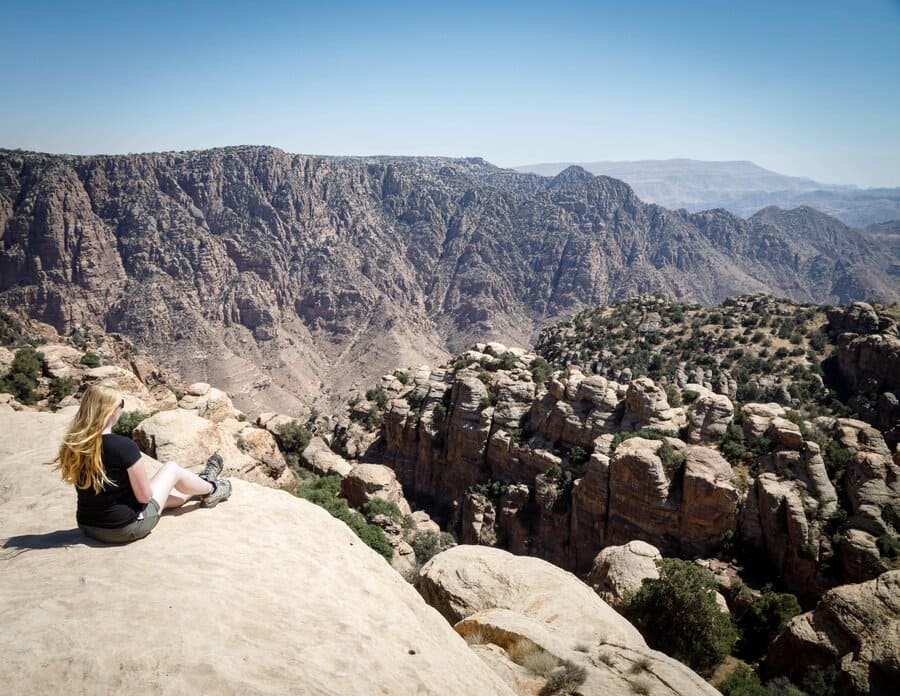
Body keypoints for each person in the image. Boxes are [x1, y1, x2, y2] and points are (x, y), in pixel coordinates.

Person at [56, 379, 232, 543]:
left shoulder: (75, 444)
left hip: (88, 525)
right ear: (111, 410)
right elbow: (145, 497)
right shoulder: (124, 447)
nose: (122, 408)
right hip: (124, 528)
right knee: (172, 469)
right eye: (121, 404)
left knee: (177, 499)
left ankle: (200, 484)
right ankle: (213, 489)